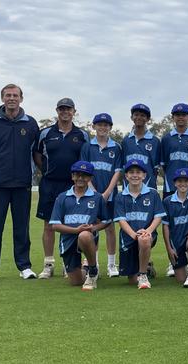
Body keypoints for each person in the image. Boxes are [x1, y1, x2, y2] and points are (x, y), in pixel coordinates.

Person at [0, 84, 39, 281]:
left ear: (21, 98)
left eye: (15, 95)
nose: (11, 98)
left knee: (21, 228)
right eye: (8, 95)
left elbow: (36, 153)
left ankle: (24, 266)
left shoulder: (31, 124)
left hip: (22, 185)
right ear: (2, 98)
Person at [35, 97, 90, 279]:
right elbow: (37, 155)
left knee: (74, 224)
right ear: (57, 111)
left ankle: (70, 264)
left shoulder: (82, 135)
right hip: (50, 184)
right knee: (49, 224)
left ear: (74, 111)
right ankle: (49, 264)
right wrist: (47, 170)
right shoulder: (45, 133)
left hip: (73, 185)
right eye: (61, 109)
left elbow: (86, 159)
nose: (65, 112)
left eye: (68, 109)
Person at [49, 161, 110, 290]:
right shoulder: (62, 197)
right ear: (72, 176)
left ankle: (92, 270)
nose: (81, 178)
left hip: (87, 237)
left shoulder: (97, 198)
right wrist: (76, 230)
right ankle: (85, 271)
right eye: (77, 175)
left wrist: (93, 228)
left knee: (85, 236)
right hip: (67, 240)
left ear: (90, 178)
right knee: (76, 282)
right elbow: (54, 225)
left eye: (85, 175)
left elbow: (106, 221)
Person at [79, 113, 122, 277]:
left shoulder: (116, 147)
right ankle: (93, 263)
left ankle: (112, 264)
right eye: (99, 125)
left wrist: (107, 192)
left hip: (109, 194)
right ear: (94, 126)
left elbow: (118, 171)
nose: (103, 128)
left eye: (106, 125)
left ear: (110, 127)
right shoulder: (87, 146)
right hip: (91, 194)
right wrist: (95, 193)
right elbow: (84, 170)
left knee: (110, 228)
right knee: (93, 228)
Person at [114, 159, 166, 289]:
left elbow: (158, 216)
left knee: (144, 240)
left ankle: (143, 275)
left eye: (138, 172)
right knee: (131, 280)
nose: (135, 175)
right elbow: (121, 220)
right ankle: (147, 266)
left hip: (147, 234)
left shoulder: (153, 193)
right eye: (131, 172)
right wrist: (134, 235)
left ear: (144, 175)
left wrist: (148, 231)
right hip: (128, 236)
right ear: (126, 176)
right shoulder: (120, 196)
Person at [162, 168, 188, 288]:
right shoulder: (167, 201)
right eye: (179, 181)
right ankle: (183, 265)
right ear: (175, 183)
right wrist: (169, 249)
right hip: (176, 243)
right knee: (180, 279)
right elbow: (165, 226)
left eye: (186, 181)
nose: (183, 184)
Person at [160, 103, 188, 197]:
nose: (180, 117)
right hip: (170, 186)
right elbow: (163, 165)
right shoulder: (166, 138)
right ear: (173, 118)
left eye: (184, 115)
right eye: (177, 115)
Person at [121, 103, 161, 189]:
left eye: (143, 115)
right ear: (132, 117)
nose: (139, 117)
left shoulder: (155, 141)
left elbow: (156, 168)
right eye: (136, 115)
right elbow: (123, 166)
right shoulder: (125, 141)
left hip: (148, 187)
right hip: (128, 188)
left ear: (148, 119)